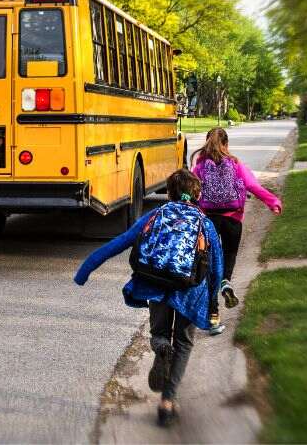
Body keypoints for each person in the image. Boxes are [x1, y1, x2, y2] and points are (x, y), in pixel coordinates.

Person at [74, 169, 223, 427]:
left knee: (160, 332)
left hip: (156, 284)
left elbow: (119, 242)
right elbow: (216, 267)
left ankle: (161, 345)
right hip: (189, 292)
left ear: (170, 192)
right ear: (196, 194)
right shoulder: (205, 224)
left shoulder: (154, 216)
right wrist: (213, 304)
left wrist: (85, 269)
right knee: (185, 343)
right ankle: (167, 402)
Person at [190, 127, 282, 328]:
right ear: (226, 145)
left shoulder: (199, 167)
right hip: (233, 220)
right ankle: (226, 282)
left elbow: (190, 194)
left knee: (210, 264)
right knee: (229, 254)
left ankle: (213, 315)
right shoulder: (236, 164)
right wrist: (273, 201)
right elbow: (253, 186)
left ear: (207, 143)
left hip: (210, 221)